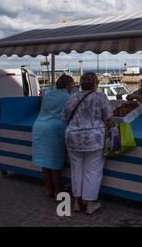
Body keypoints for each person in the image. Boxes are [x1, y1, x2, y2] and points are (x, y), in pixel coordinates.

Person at [60, 72, 114, 214]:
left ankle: (77, 203)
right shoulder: (100, 97)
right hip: (94, 139)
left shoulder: (73, 97)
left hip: (73, 138)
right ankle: (90, 204)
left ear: (81, 83)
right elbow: (109, 120)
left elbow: (64, 117)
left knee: (76, 170)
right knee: (93, 171)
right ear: (95, 83)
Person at [32, 74, 74, 197]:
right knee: (54, 163)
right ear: (67, 85)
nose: (72, 87)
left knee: (45, 163)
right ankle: (58, 190)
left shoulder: (48, 93)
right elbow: (70, 114)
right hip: (53, 129)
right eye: (72, 85)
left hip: (39, 127)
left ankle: (48, 190)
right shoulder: (67, 97)